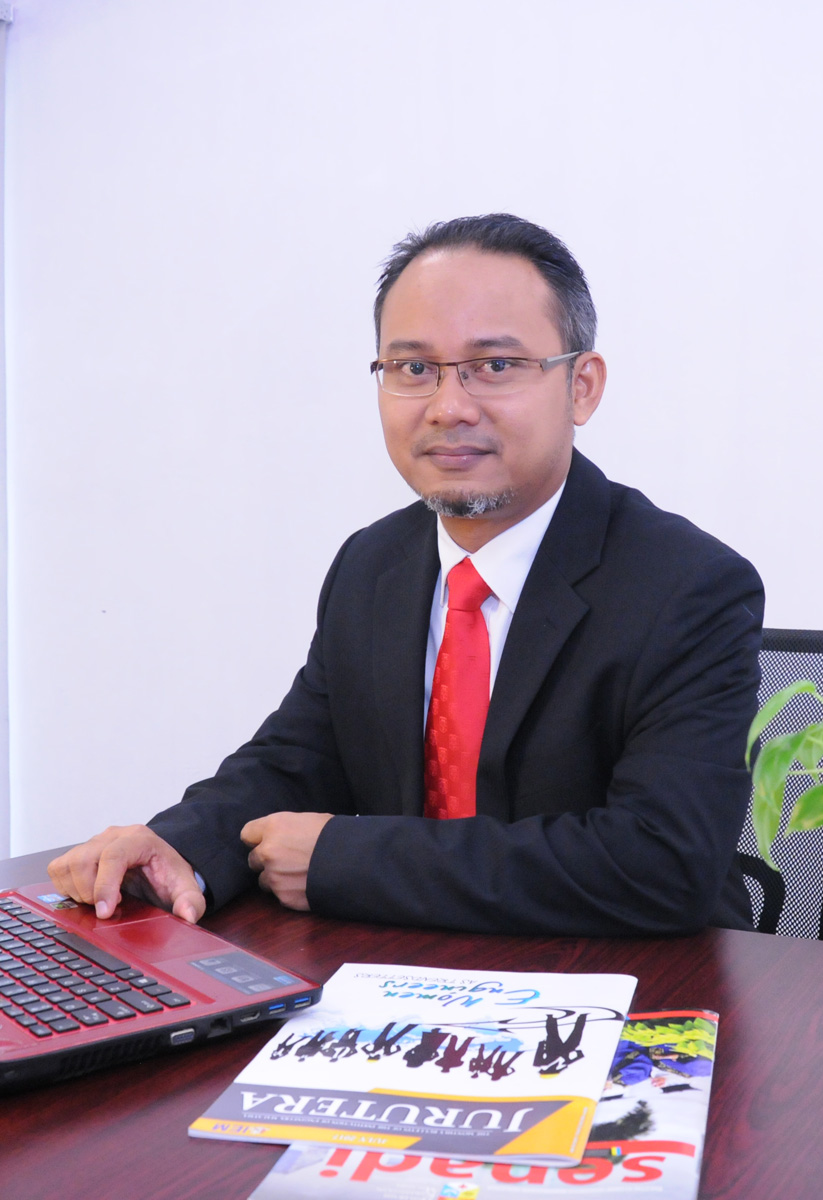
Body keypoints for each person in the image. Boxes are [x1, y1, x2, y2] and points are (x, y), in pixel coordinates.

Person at [48, 213, 764, 938]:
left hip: (632, 978)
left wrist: (346, 858)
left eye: (495, 366)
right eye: (414, 369)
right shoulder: (373, 566)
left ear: (581, 386)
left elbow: (660, 861)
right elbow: (297, 760)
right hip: (410, 973)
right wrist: (178, 848)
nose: (449, 408)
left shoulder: (688, 587)